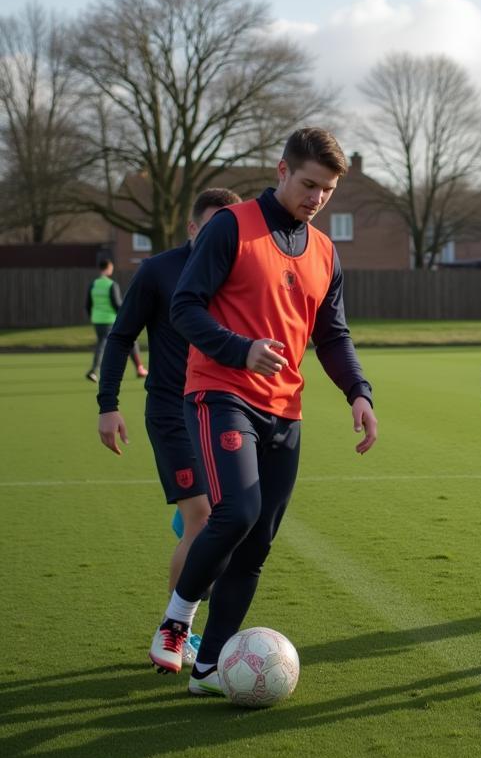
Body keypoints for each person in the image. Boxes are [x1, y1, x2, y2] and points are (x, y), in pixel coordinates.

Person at [149, 127, 378, 696]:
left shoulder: (326, 251)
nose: (316, 198)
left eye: (327, 190)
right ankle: (178, 622)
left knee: (257, 543)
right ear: (281, 171)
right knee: (236, 512)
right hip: (220, 391)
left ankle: (210, 666)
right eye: (308, 184)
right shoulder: (231, 227)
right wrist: (240, 348)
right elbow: (184, 306)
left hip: (286, 410)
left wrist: (359, 392)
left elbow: (333, 334)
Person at [96, 188, 243, 663]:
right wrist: (108, 405)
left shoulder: (240, 271)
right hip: (172, 411)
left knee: (227, 520)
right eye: (215, 224)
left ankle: (187, 514)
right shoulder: (158, 270)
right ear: (194, 228)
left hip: (223, 411)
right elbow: (120, 338)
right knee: (203, 522)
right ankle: (177, 628)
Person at [86, 259, 146, 382]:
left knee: (102, 344)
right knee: (128, 340)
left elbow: (88, 304)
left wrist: (93, 316)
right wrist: (126, 316)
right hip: (110, 320)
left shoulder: (93, 284)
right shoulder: (111, 285)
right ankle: (94, 370)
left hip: (97, 320)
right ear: (108, 268)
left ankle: (95, 370)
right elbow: (117, 304)